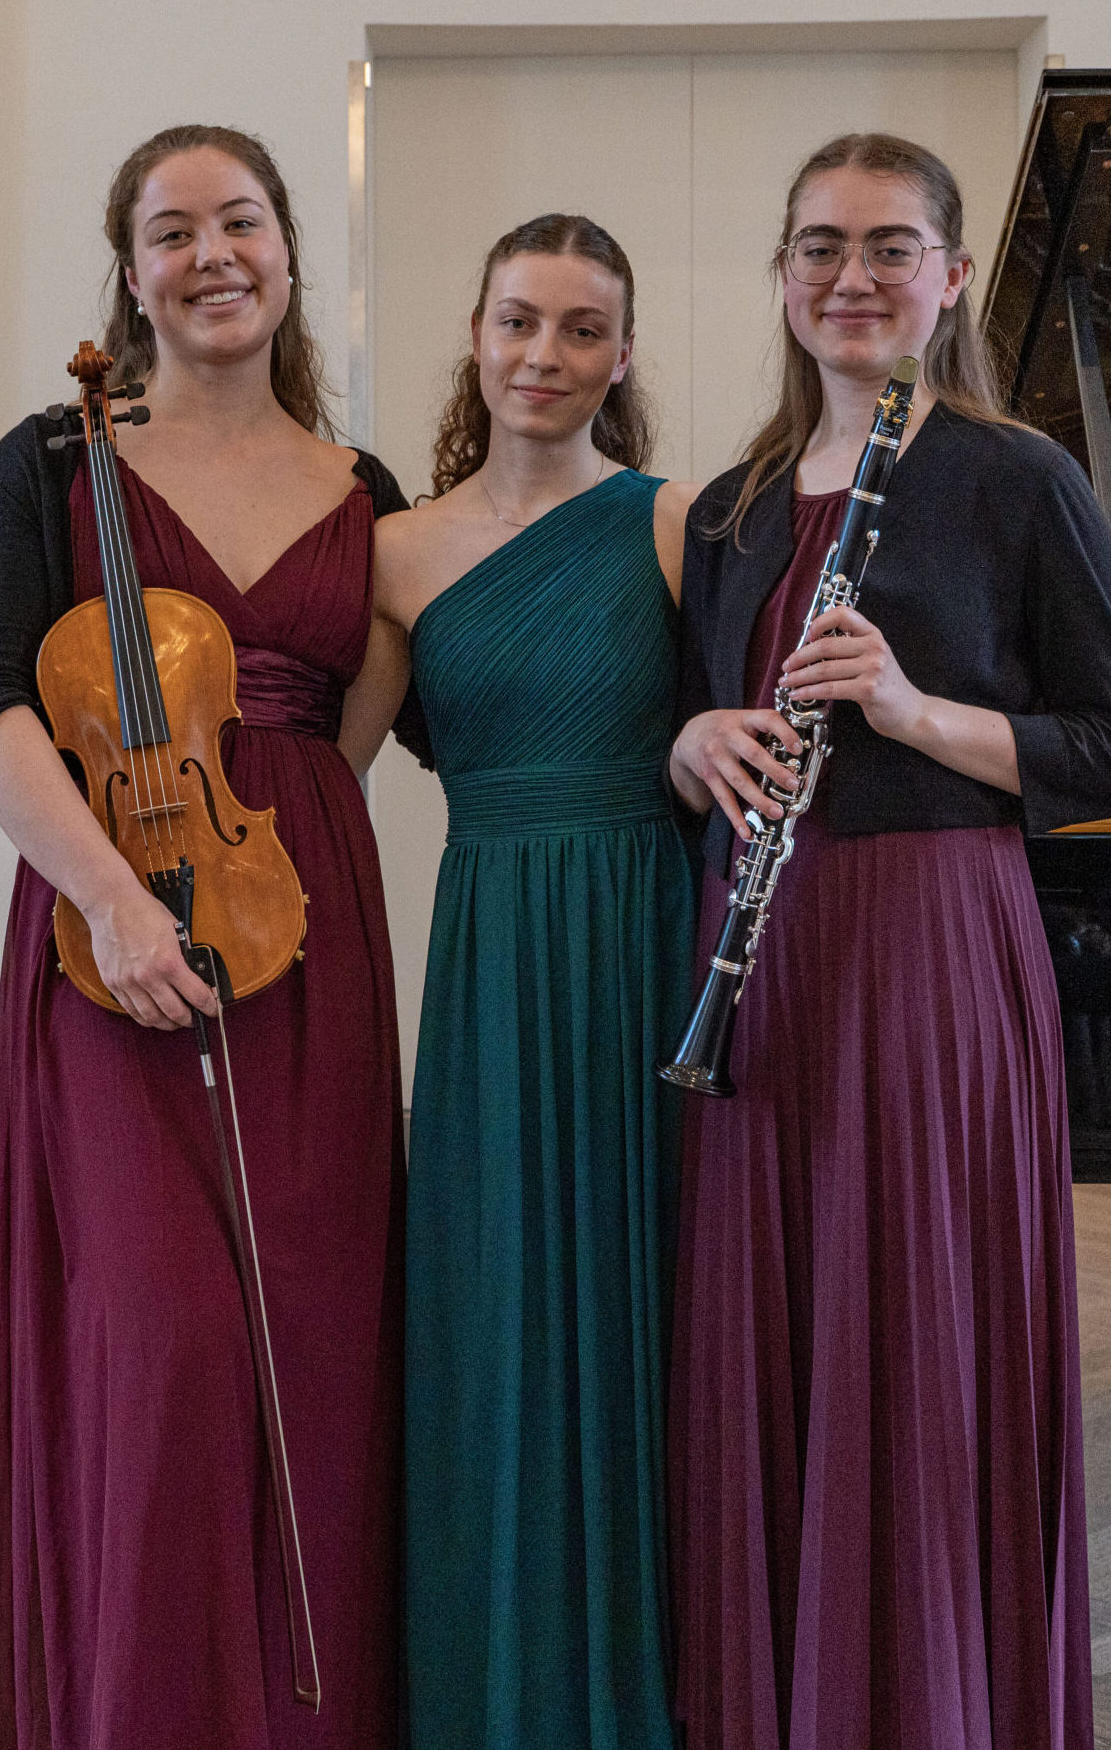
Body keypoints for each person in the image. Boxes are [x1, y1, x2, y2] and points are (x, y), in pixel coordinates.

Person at [667, 133, 1111, 1750]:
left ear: (951, 277)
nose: (853, 278)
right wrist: (693, 750)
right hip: (761, 962)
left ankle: (930, 1699)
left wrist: (908, 708)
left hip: (931, 957)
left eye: (892, 247)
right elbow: (693, 731)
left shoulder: (1018, 479)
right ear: (783, 276)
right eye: (820, 246)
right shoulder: (735, 504)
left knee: (916, 1334)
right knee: (778, 1338)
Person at [0, 124, 412, 1750]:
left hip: (308, 948)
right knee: (173, 1350)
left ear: (289, 248)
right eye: (171, 230)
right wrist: (115, 893)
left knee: (324, 1342)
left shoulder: (369, 495)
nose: (212, 254)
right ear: (129, 272)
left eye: (242, 221)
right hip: (105, 945)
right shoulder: (55, 465)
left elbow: (397, 720)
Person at [372, 215, 697, 1750]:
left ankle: (655, 1677)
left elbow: (742, 735)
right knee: (497, 1295)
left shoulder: (677, 523)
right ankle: (502, 1679)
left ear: (622, 356)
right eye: (520, 324)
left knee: (651, 1293)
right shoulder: (399, 547)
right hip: (493, 940)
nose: (545, 359)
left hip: (645, 933)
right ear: (478, 335)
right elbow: (322, 765)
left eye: (581, 332)